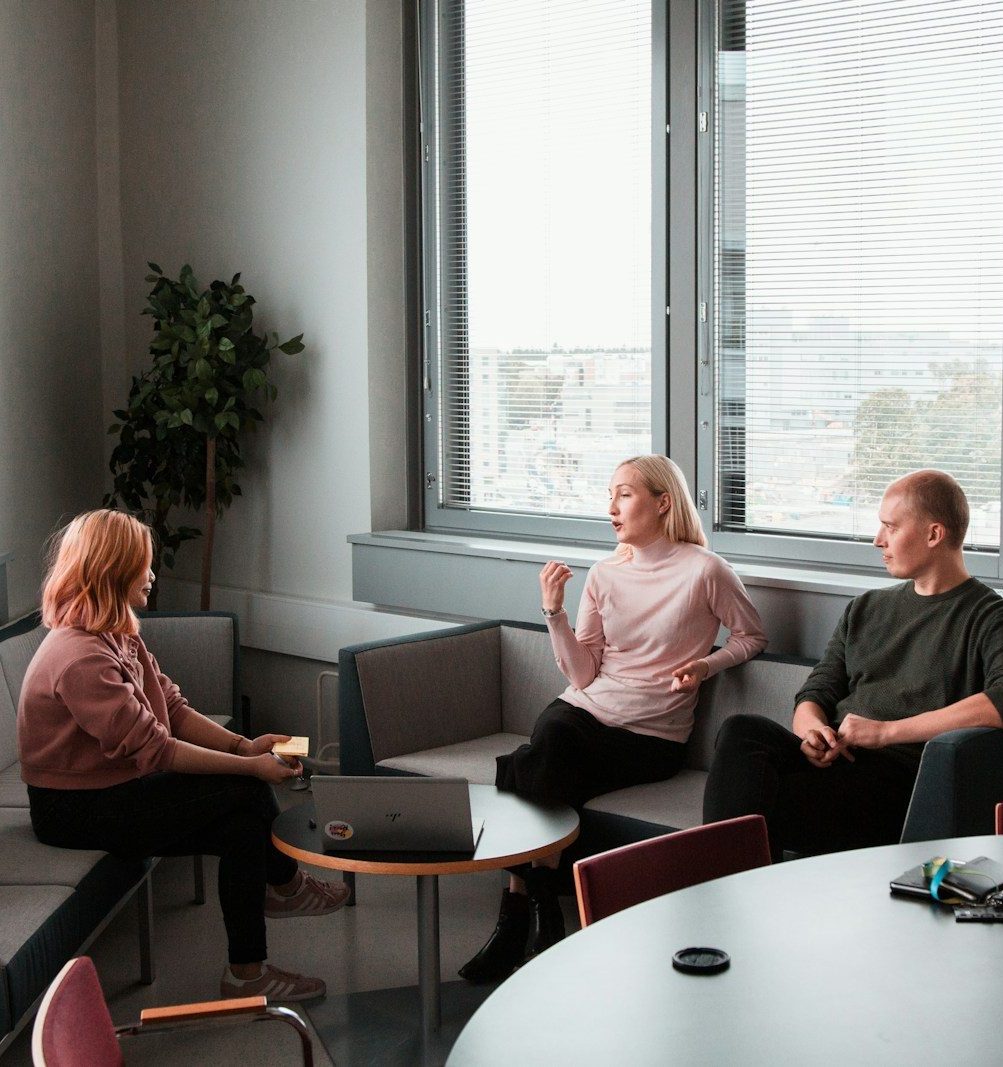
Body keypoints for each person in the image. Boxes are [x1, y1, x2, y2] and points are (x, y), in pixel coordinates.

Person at [17, 510, 347, 1002]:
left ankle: (246, 972)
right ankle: (286, 885)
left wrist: (243, 745)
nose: (151, 575)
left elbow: (170, 707)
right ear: (113, 571)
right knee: (246, 789)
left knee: (241, 830)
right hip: (74, 810)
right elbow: (156, 749)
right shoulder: (79, 656)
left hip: (111, 790)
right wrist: (250, 767)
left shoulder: (117, 633)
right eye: (142, 566)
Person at [459, 455, 767, 984]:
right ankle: (539, 914)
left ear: (663, 502)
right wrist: (553, 611)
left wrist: (706, 665)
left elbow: (752, 636)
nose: (611, 507)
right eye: (610, 494)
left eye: (624, 494)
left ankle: (518, 919)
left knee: (528, 766)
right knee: (551, 743)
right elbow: (581, 676)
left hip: (651, 736)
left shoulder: (705, 571)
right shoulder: (605, 574)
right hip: (587, 712)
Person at [703, 469, 1003, 862]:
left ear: (934, 535)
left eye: (890, 527)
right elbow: (816, 691)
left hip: (901, 782)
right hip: (836, 764)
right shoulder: (867, 608)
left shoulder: (988, 616)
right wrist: (813, 732)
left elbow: (999, 701)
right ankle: (728, 886)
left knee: (753, 810)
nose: (878, 540)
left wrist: (885, 733)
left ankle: (720, 890)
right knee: (743, 732)